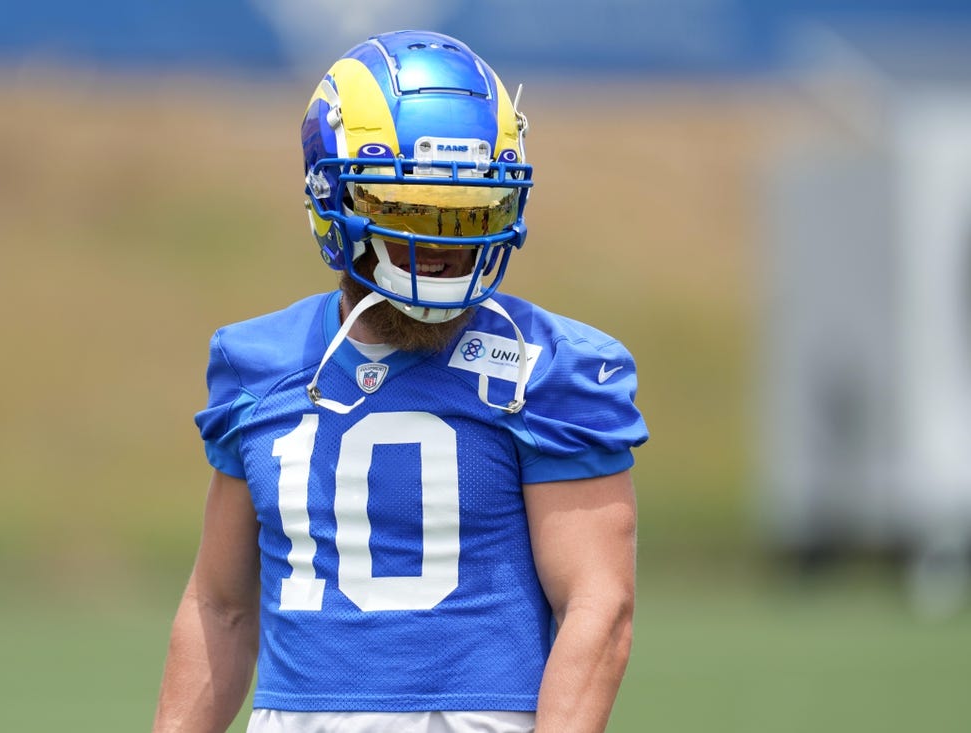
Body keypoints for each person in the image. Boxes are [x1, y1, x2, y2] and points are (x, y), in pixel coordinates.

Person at [153, 29, 648, 733]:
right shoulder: (257, 361)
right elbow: (221, 605)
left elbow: (598, 608)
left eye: (472, 214)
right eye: (412, 212)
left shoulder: (550, 367)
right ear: (333, 197)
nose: (445, 249)